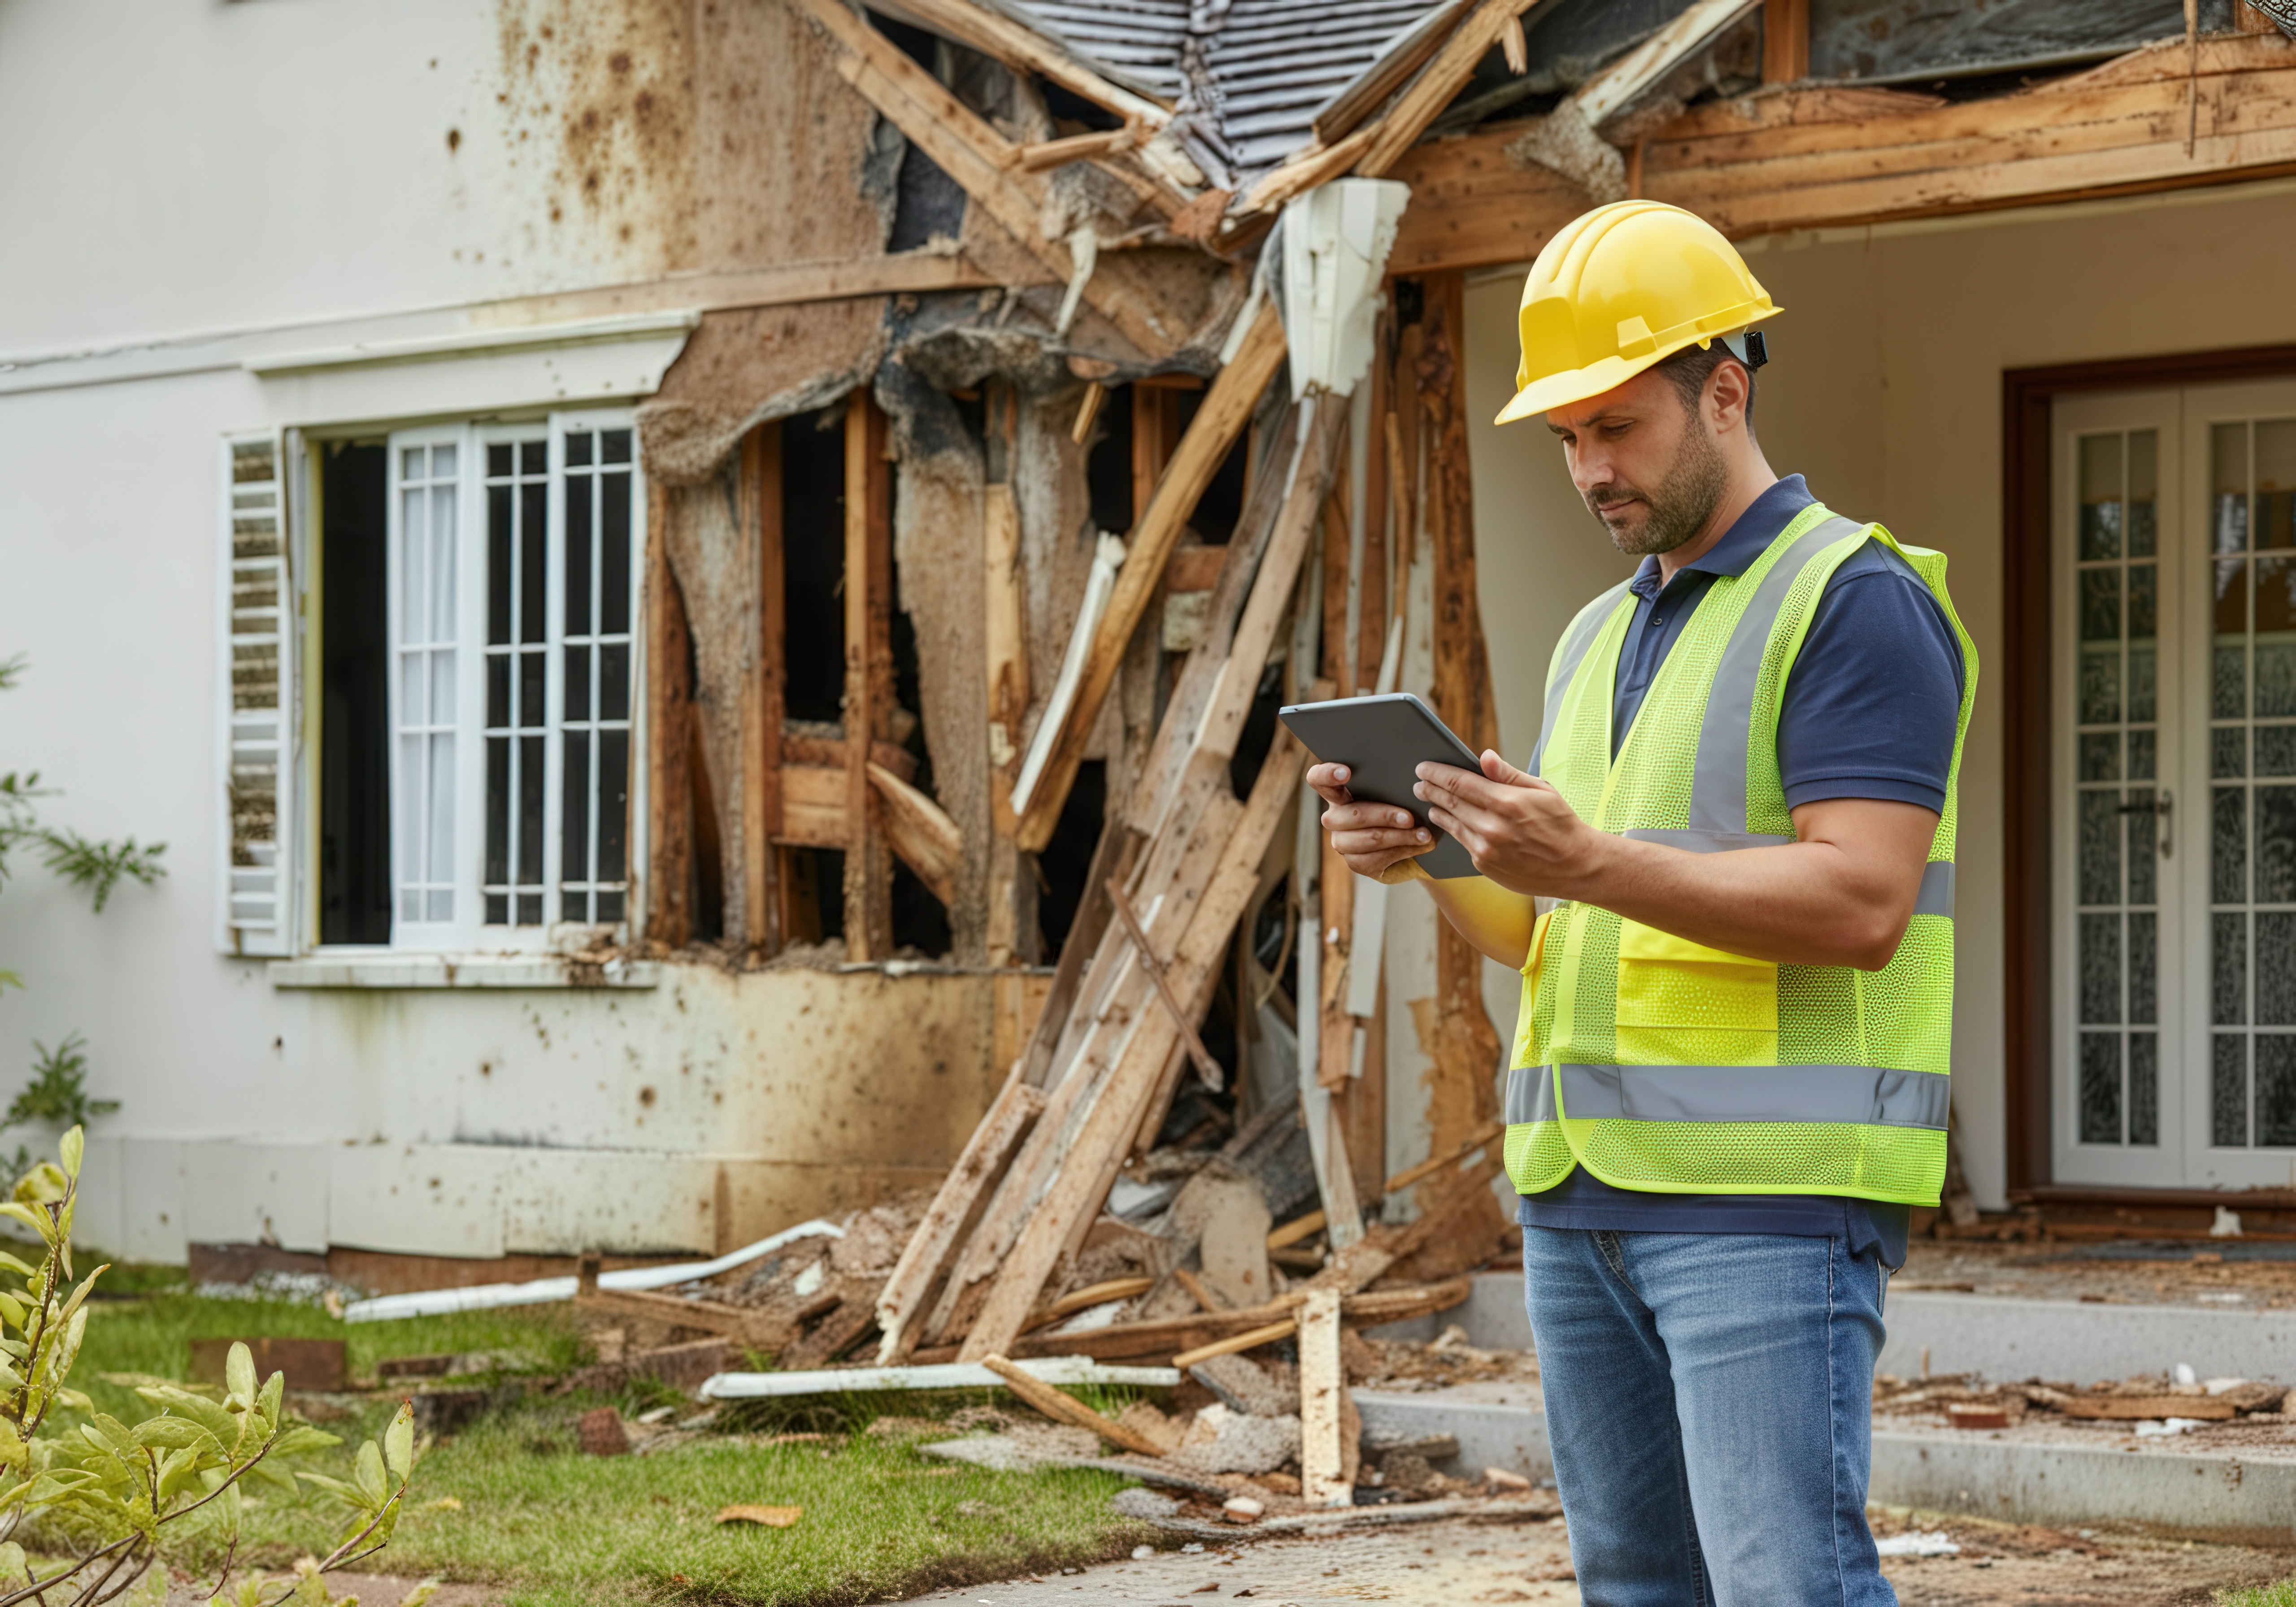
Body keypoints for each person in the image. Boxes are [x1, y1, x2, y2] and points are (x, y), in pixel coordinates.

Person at [1310, 200, 1976, 1604]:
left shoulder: (1853, 600)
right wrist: (1429, 850)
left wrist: (1587, 861)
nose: (1587, 469)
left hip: (1767, 1208)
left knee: (1784, 1584)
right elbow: (1554, 923)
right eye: (1565, 437)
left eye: (1616, 426)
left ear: (1723, 391)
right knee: (1636, 1586)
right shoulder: (1600, 629)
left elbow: (1862, 900)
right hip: (1577, 1200)